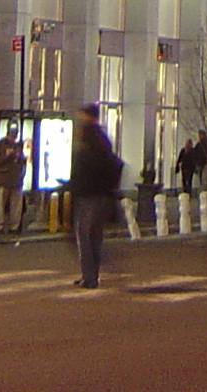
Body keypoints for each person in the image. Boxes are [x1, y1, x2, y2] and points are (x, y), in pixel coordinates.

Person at [69, 105, 123, 288]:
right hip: (101, 195)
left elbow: (83, 168)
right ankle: (92, 275)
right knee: (95, 237)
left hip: (88, 194)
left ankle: (89, 277)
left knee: (84, 236)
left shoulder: (89, 137)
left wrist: (72, 184)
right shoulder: (102, 139)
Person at [0, 131, 27, 232]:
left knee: (16, 203)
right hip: (3, 178)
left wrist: (20, 158)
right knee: (0, 203)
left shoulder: (17, 145)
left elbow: (22, 161)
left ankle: (14, 226)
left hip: (16, 178)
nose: (14, 137)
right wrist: (7, 156)